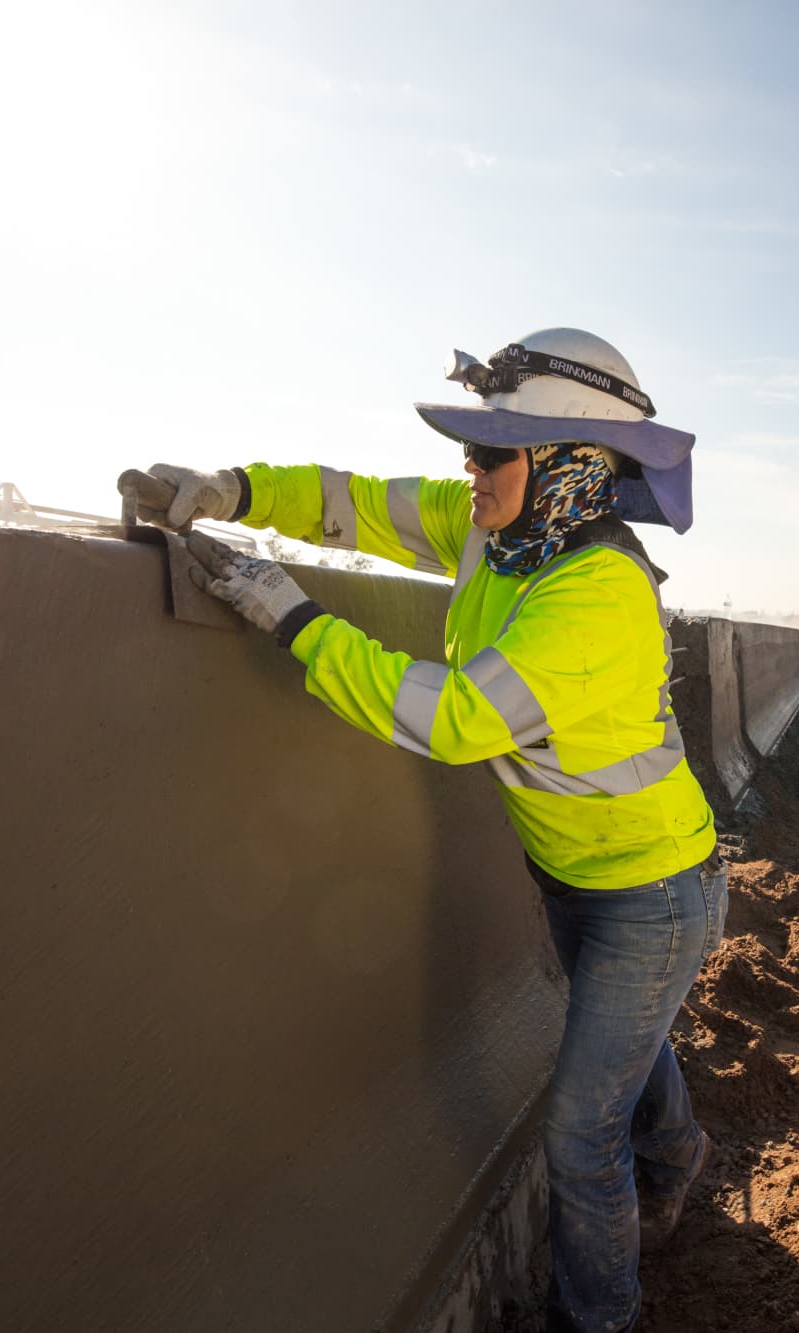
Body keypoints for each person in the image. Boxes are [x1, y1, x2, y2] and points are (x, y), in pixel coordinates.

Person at [118, 328, 726, 1333]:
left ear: (568, 463)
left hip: (652, 893)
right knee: (621, 1044)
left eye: (493, 453)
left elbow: (453, 720)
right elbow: (355, 505)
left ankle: (599, 1318)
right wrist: (229, 490)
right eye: (472, 450)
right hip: (570, 871)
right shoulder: (498, 528)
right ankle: (674, 1159)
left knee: (579, 1129)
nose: (468, 469)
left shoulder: (600, 594)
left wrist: (294, 620)